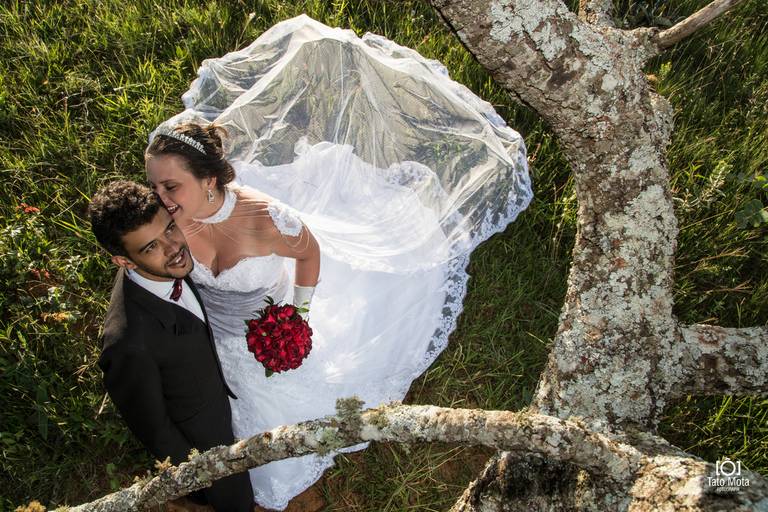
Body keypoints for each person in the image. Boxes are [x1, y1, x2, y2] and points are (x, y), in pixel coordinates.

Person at [145, 15, 533, 511]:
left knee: (277, 424)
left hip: (266, 325)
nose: (158, 197)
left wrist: (297, 319)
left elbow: (309, 253)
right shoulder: (165, 220)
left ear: (208, 181)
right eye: (154, 185)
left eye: (170, 186)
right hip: (211, 337)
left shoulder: (266, 218)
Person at [88, 180, 254, 512]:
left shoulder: (171, 264)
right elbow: (156, 431)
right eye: (150, 247)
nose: (173, 247)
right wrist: (201, 477)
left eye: (169, 229)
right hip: (206, 447)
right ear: (125, 262)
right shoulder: (128, 345)